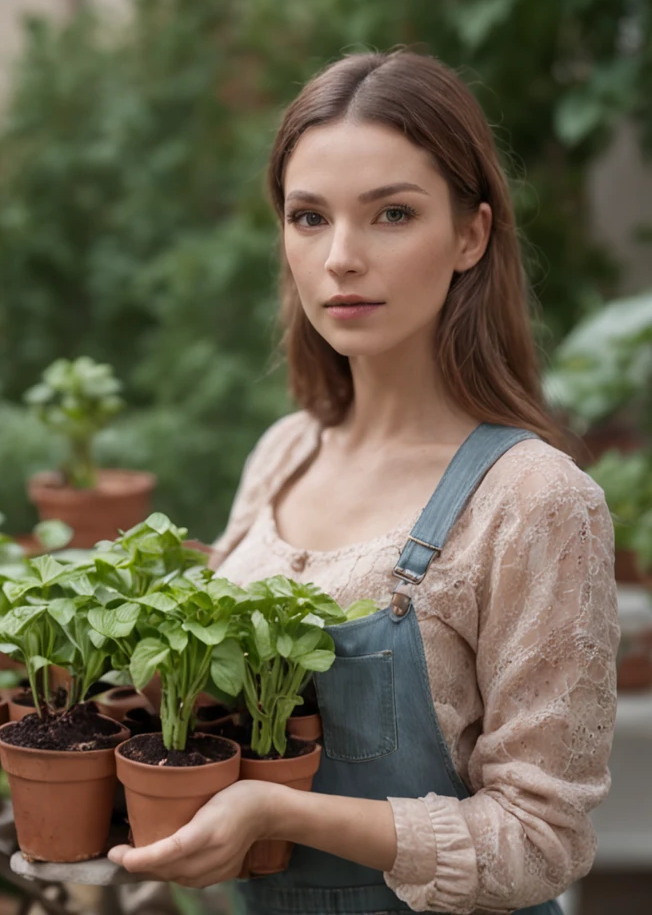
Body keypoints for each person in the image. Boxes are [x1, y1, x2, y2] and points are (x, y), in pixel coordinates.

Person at [109, 50, 619, 915]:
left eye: (391, 213)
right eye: (309, 217)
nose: (341, 257)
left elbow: (542, 841)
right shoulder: (284, 451)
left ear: (471, 234)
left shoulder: (536, 501)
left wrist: (284, 812)